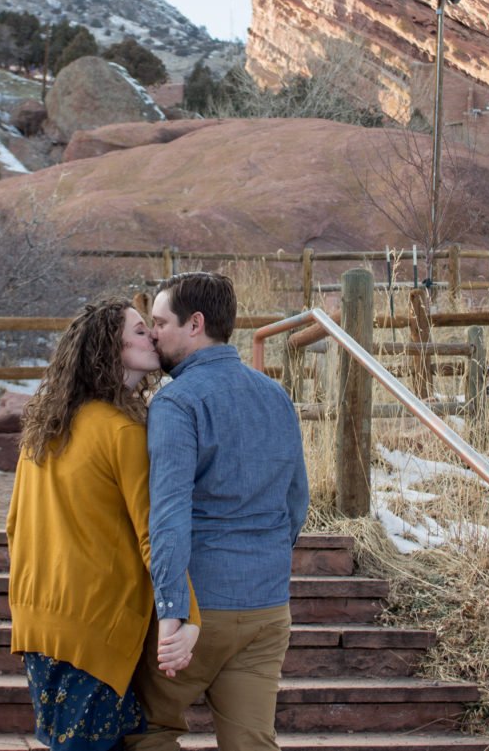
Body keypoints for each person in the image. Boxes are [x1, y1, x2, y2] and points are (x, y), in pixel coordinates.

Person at [7, 297, 201, 751]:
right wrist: (185, 617)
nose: (151, 335)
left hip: (37, 622)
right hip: (93, 627)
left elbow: (13, 525)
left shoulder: (46, 426)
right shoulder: (122, 431)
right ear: (108, 350)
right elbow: (157, 531)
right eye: (138, 331)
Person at [127, 271, 310, 751]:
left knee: (147, 732)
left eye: (161, 321)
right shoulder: (276, 395)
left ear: (195, 324)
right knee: (252, 742)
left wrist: (172, 610)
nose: (154, 333)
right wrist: (263, 557)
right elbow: (297, 501)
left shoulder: (177, 402)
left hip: (198, 609)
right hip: (267, 608)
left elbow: (166, 515)